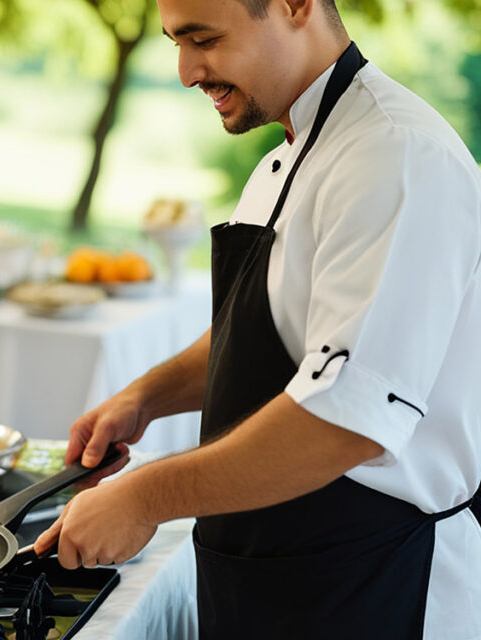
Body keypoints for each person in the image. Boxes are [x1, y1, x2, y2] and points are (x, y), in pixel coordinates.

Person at [34, 1, 481, 638]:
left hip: (377, 590)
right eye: (175, 43)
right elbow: (272, 325)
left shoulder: (395, 157)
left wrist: (144, 498)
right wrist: (145, 397)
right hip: (277, 584)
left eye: (204, 39)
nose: (187, 72)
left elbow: (346, 422)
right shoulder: (290, 157)